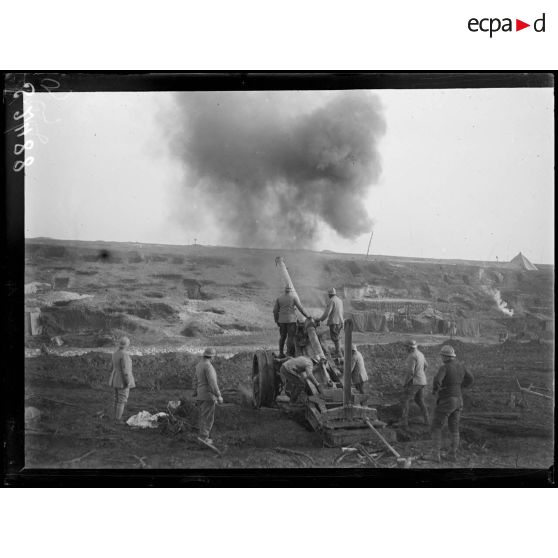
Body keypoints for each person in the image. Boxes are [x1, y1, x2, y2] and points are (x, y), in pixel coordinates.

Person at [430, 345, 474, 462]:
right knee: (454, 428)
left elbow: (437, 380)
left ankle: (435, 455)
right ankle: (452, 454)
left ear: (445, 356)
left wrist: (435, 390)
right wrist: (460, 387)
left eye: (442, 356)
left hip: (447, 400)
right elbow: (471, 379)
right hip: (459, 400)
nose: (441, 358)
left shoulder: (444, 368)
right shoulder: (461, 366)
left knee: (436, 426)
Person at [192, 347, 223, 445]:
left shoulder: (198, 365)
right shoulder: (208, 366)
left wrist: (195, 392)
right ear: (212, 357)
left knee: (203, 416)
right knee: (208, 418)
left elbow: (195, 381)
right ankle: (204, 438)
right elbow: (212, 383)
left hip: (200, 396)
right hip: (208, 396)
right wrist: (218, 395)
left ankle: (202, 436)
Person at [398, 339, 429, 427]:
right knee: (419, 400)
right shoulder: (420, 354)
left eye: (406, 347)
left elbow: (411, 372)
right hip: (422, 381)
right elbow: (426, 365)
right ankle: (427, 420)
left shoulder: (412, 356)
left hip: (415, 382)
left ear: (409, 347)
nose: (405, 349)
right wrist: (421, 374)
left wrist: (405, 382)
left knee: (404, 399)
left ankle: (404, 422)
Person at [273, 286, 309, 358]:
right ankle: (288, 354)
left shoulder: (279, 298)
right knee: (290, 337)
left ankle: (281, 353)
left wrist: (276, 320)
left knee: (282, 337)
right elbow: (301, 309)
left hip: (282, 321)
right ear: (291, 291)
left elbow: (275, 311)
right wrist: (308, 316)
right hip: (291, 321)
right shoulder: (293, 298)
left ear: (285, 290)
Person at [108, 336, 135, 424]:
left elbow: (111, 367)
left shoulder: (115, 353)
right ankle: (118, 419)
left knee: (116, 399)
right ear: (127, 344)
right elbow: (125, 371)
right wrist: (128, 382)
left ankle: (115, 417)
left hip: (115, 378)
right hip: (122, 380)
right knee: (122, 400)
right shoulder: (124, 355)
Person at [316, 287, 344, 356]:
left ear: (329, 295)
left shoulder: (331, 301)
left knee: (335, 338)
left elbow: (327, 313)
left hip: (334, 322)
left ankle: (338, 353)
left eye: (328, 295)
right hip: (340, 321)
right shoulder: (339, 300)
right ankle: (338, 351)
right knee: (337, 337)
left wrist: (319, 319)